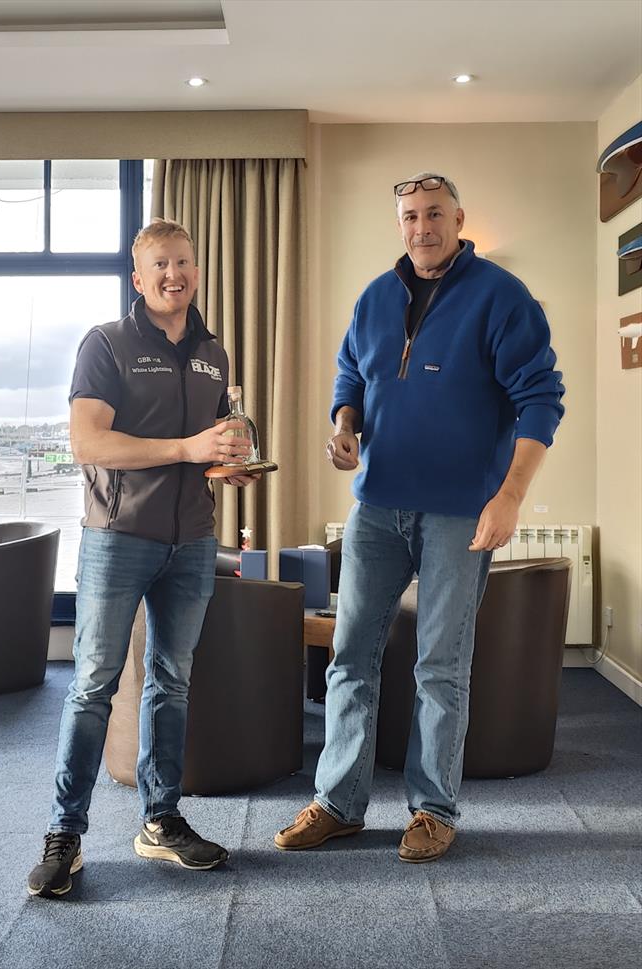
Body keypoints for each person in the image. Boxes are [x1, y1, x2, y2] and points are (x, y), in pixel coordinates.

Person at [275, 173, 565, 863]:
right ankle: (340, 803)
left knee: (439, 665)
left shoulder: (501, 296)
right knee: (349, 658)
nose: (421, 227)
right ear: (399, 222)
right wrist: (345, 426)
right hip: (377, 505)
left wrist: (510, 495)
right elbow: (352, 376)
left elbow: (541, 400)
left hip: (461, 510)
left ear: (459, 218)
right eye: (410, 216)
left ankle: (433, 809)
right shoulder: (375, 296)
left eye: (435, 214)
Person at [28, 218, 257, 898]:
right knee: (95, 682)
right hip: (117, 538)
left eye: (182, 262)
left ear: (195, 269)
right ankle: (64, 834)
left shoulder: (214, 353)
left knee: (171, 681)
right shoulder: (106, 343)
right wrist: (189, 448)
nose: (172, 274)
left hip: (190, 542)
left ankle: (160, 820)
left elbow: (206, 450)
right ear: (138, 276)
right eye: (159, 264)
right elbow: (89, 443)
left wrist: (226, 465)